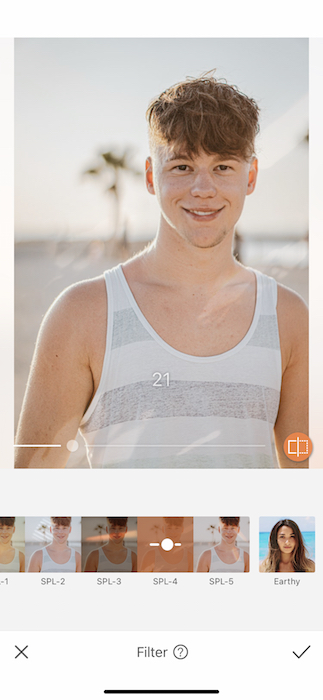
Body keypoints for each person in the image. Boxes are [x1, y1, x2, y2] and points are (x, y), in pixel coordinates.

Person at [15, 72, 308, 469]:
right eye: (183, 166)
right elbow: (31, 491)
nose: (203, 188)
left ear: (250, 176)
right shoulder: (82, 314)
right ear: (152, 177)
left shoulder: (288, 318)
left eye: (223, 166)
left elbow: (300, 481)